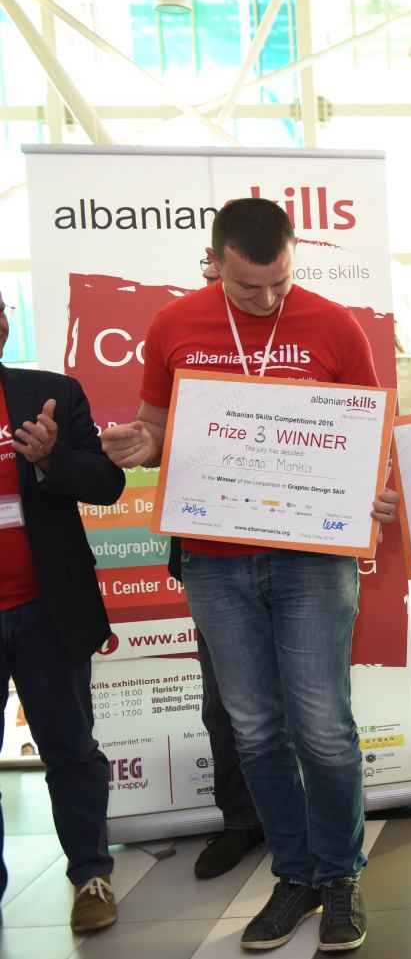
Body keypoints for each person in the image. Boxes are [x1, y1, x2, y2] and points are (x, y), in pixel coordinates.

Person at [100, 198, 398, 952]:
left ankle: (340, 876)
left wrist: (379, 488)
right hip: (214, 560)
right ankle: (294, 874)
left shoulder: (335, 325)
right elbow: (158, 428)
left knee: (323, 728)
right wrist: (141, 444)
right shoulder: (174, 324)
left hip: (313, 559)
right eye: (246, 287)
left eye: (279, 283)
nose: (265, 301)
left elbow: (369, 436)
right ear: (214, 261)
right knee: (257, 730)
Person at [0, 291, 126, 933]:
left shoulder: (50, 393)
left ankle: (91, 876)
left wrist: (51, 457)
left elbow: (107, 484)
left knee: (72, 749)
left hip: (47, 608)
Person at [174, 247, 265, 880]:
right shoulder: (184, 341)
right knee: (224, 703)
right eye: (218, 279)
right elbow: (159, 430)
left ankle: (301, 825)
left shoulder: (296, 345)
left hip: (297, 555)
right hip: (210, 554)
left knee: (306, 707)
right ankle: (240, 820)